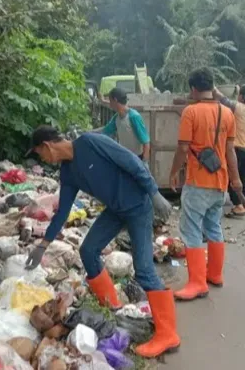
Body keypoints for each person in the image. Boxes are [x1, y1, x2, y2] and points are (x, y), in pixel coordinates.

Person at [24, 125, 180, 357]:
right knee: (88, 251)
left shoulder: (90, 142)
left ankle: (168, 335)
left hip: (138, 206)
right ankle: (112, 306)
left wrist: (154, 192)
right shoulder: (68, 173)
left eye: (40, 154)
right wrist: (43, 245)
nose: (43, 159)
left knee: (145, 271)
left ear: (47, 146)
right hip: (116, 211)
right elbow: (62, 212)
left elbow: (130, 161)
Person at [169, 68, 242, 301]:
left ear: (193, 89)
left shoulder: (191, 112)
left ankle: (197, 283)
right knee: (213, 227)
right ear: (212, 86)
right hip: (220, 182)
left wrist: (173, 173)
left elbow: (182, 148)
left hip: (198, 181)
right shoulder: (228, 113)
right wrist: (236, 178)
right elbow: (230, 150)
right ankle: (215, 274)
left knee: (191, 230)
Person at [213, 84, 245, 217]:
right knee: (244, 178)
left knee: (233, 176)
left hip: (238, 148)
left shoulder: (237, 108)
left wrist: (213, 87)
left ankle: (238, 205)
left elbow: (222, 99)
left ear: (240, 97)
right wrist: (239, 90)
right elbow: (240, 99)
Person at [100, 88, 151, 167]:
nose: (109, 104)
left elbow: (146, 143)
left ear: (115, 100)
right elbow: (105, 131)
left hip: (137, 159)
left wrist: (144, 163)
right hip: (125, 157)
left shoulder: (134, 117)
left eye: (110, 101)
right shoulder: (117, 118)